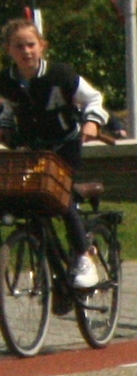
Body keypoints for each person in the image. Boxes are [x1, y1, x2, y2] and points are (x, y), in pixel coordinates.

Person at [0, 19, 111, 289]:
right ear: (8, 51)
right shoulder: (6, 81)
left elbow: (93, 98)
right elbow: (8, 112)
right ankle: (40, 253)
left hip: (64, 145)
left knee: (61, 196)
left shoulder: (60, 74)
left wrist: (92, 122)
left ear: (42, 46)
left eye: (31, 45)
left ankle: (84, 255)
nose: (26, 51)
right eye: (19, 47)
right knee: (16, 196)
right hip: (28, 148)